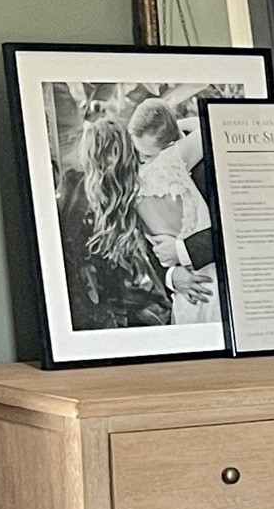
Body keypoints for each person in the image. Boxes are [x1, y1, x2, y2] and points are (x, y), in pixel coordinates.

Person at [58, 115, 179, 332]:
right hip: (130, 310)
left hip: (84, 311)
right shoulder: (137, 195)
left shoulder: (72, 186)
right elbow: (157, 255)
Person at [129, 96, 219, 324]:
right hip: (185, 295)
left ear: (171, 147)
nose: (144, 163)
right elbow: (150, 246)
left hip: (222, 287)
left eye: (148, 155)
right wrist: (171, 276)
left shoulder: (212, 159)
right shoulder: (143, 181)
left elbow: (241, 226)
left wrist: (183, 251)